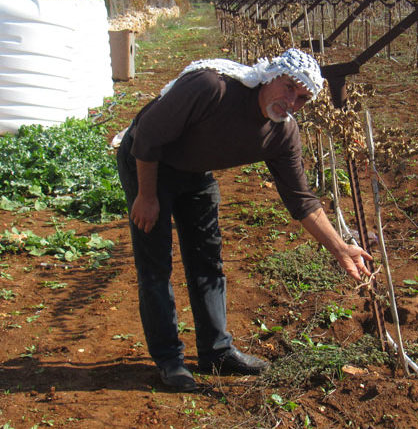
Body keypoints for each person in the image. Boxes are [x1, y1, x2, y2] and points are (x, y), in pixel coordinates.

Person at [116, 48, 372, 392]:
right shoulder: (212, 88)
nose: (292, 102)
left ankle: (216, 352)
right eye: (288, 88)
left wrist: (341, 248)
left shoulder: (282, 134)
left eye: (302, 99)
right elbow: (147, 136)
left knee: (207, 259)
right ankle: (170, 361)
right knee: (156, 266)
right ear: (270, 77)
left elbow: (302, 201)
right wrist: (146, 197)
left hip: (194, 171)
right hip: (149, 163)